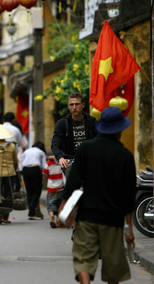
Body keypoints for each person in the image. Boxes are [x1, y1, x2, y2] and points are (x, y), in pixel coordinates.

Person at [58, 107, 136, 284]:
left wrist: (63, 207)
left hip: (87, 215)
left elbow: (73, 181)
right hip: (113, 218)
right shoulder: (125, 156)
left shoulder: (86, 148)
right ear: (120, 129)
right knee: (113, 265)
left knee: (83, 259)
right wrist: (129, 229)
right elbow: (129, 196)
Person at [51, 92, 97, 172]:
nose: (74, 107)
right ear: (68, 106)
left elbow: (100, 139)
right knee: (71, 180)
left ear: (83, 105)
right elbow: (55, 144)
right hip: (70, 160)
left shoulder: (92, 121)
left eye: (77, 104)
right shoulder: (62, 124)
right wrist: (61, 158)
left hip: (90, 160)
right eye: (71, 105)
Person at [21, 141, 46, 220]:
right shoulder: (41, 152)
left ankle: (31, 210)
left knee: (29, 191)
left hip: (25, 170)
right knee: (37, 191)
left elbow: (22, 162)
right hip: (35, 169)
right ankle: (31, 212)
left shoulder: (26, 151)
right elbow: (43, 166)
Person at [42, 155, 64, 228]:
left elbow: (45, 174)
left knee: (51, 203)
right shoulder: (61, 163)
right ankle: (58, 221)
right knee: (60, 204)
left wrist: (46, 181)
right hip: (61, 186)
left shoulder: (48, 163)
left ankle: (51, 216)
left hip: (51, 186)